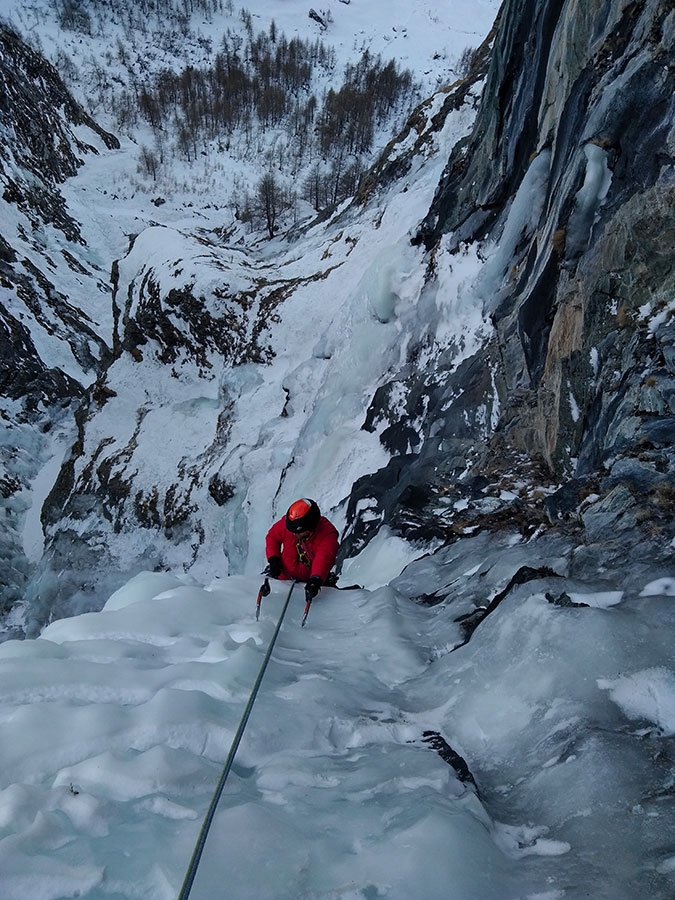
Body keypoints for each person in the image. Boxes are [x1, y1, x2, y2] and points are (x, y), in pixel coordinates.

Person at [265, 498, 339, 600]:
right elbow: (272, 537)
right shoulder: (290, 525)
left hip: (308, 583)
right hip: (283, 580)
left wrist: (315, 579)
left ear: (310, 527)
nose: (295, 534)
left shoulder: (327, 534)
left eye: (299, 532)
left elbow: (324, 558)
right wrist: (273, 558)